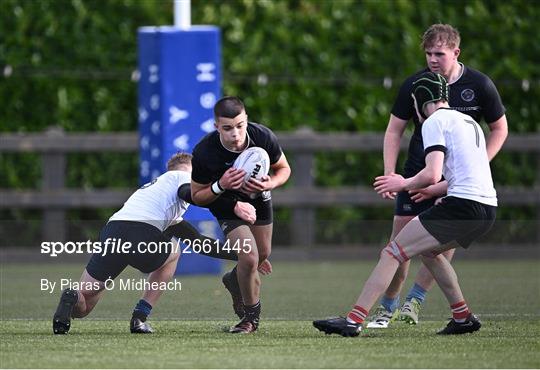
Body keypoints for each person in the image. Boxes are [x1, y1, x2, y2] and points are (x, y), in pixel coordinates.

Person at [313, 72, 497, 337]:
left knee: (393, 252)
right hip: (486, 210)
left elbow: (432, 173)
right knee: (430, 252)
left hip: (461, 206)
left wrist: (402, 183)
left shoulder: (435, 121)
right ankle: (463, 317)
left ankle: (353, 320)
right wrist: (428, 188)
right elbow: (463, 176)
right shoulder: (469, 122)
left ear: (420, 100)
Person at [368, 23, 508, 328]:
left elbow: (500, 128)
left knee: (438, 247)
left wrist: (477, 163)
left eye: (439, 54)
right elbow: (395, 130)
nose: (433, 59)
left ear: (456, 52)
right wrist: (391, 173)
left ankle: (415, 301)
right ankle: (387, 307)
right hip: (417, 175)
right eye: (428, 53)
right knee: (399, 244)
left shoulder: (480, 85)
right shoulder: (417, 85)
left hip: (454, 183)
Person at [52, 153, 266, 334]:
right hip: (142, 232)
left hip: (113, 230)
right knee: (174, 251)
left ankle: (72, 295)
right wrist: (233, 206)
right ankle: (139, 317)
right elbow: (188, 195)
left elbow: (200, 243)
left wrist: (245, 254)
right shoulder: (182, 177)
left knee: (84, 304)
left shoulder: (156, 194)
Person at [190, 96, 291, 333]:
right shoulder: (205, 152)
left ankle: (233, 280)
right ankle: (250, 318)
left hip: (258, 197)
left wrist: (271, 183)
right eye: (227, 128)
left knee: (263, 254)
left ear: (246, 120)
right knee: (249, 257)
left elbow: (284, 169)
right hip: (225, 203)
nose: (235, 134)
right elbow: (197, 195)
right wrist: (221, 185)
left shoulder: (263, 137)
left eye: (240, 126)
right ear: (216, 127)